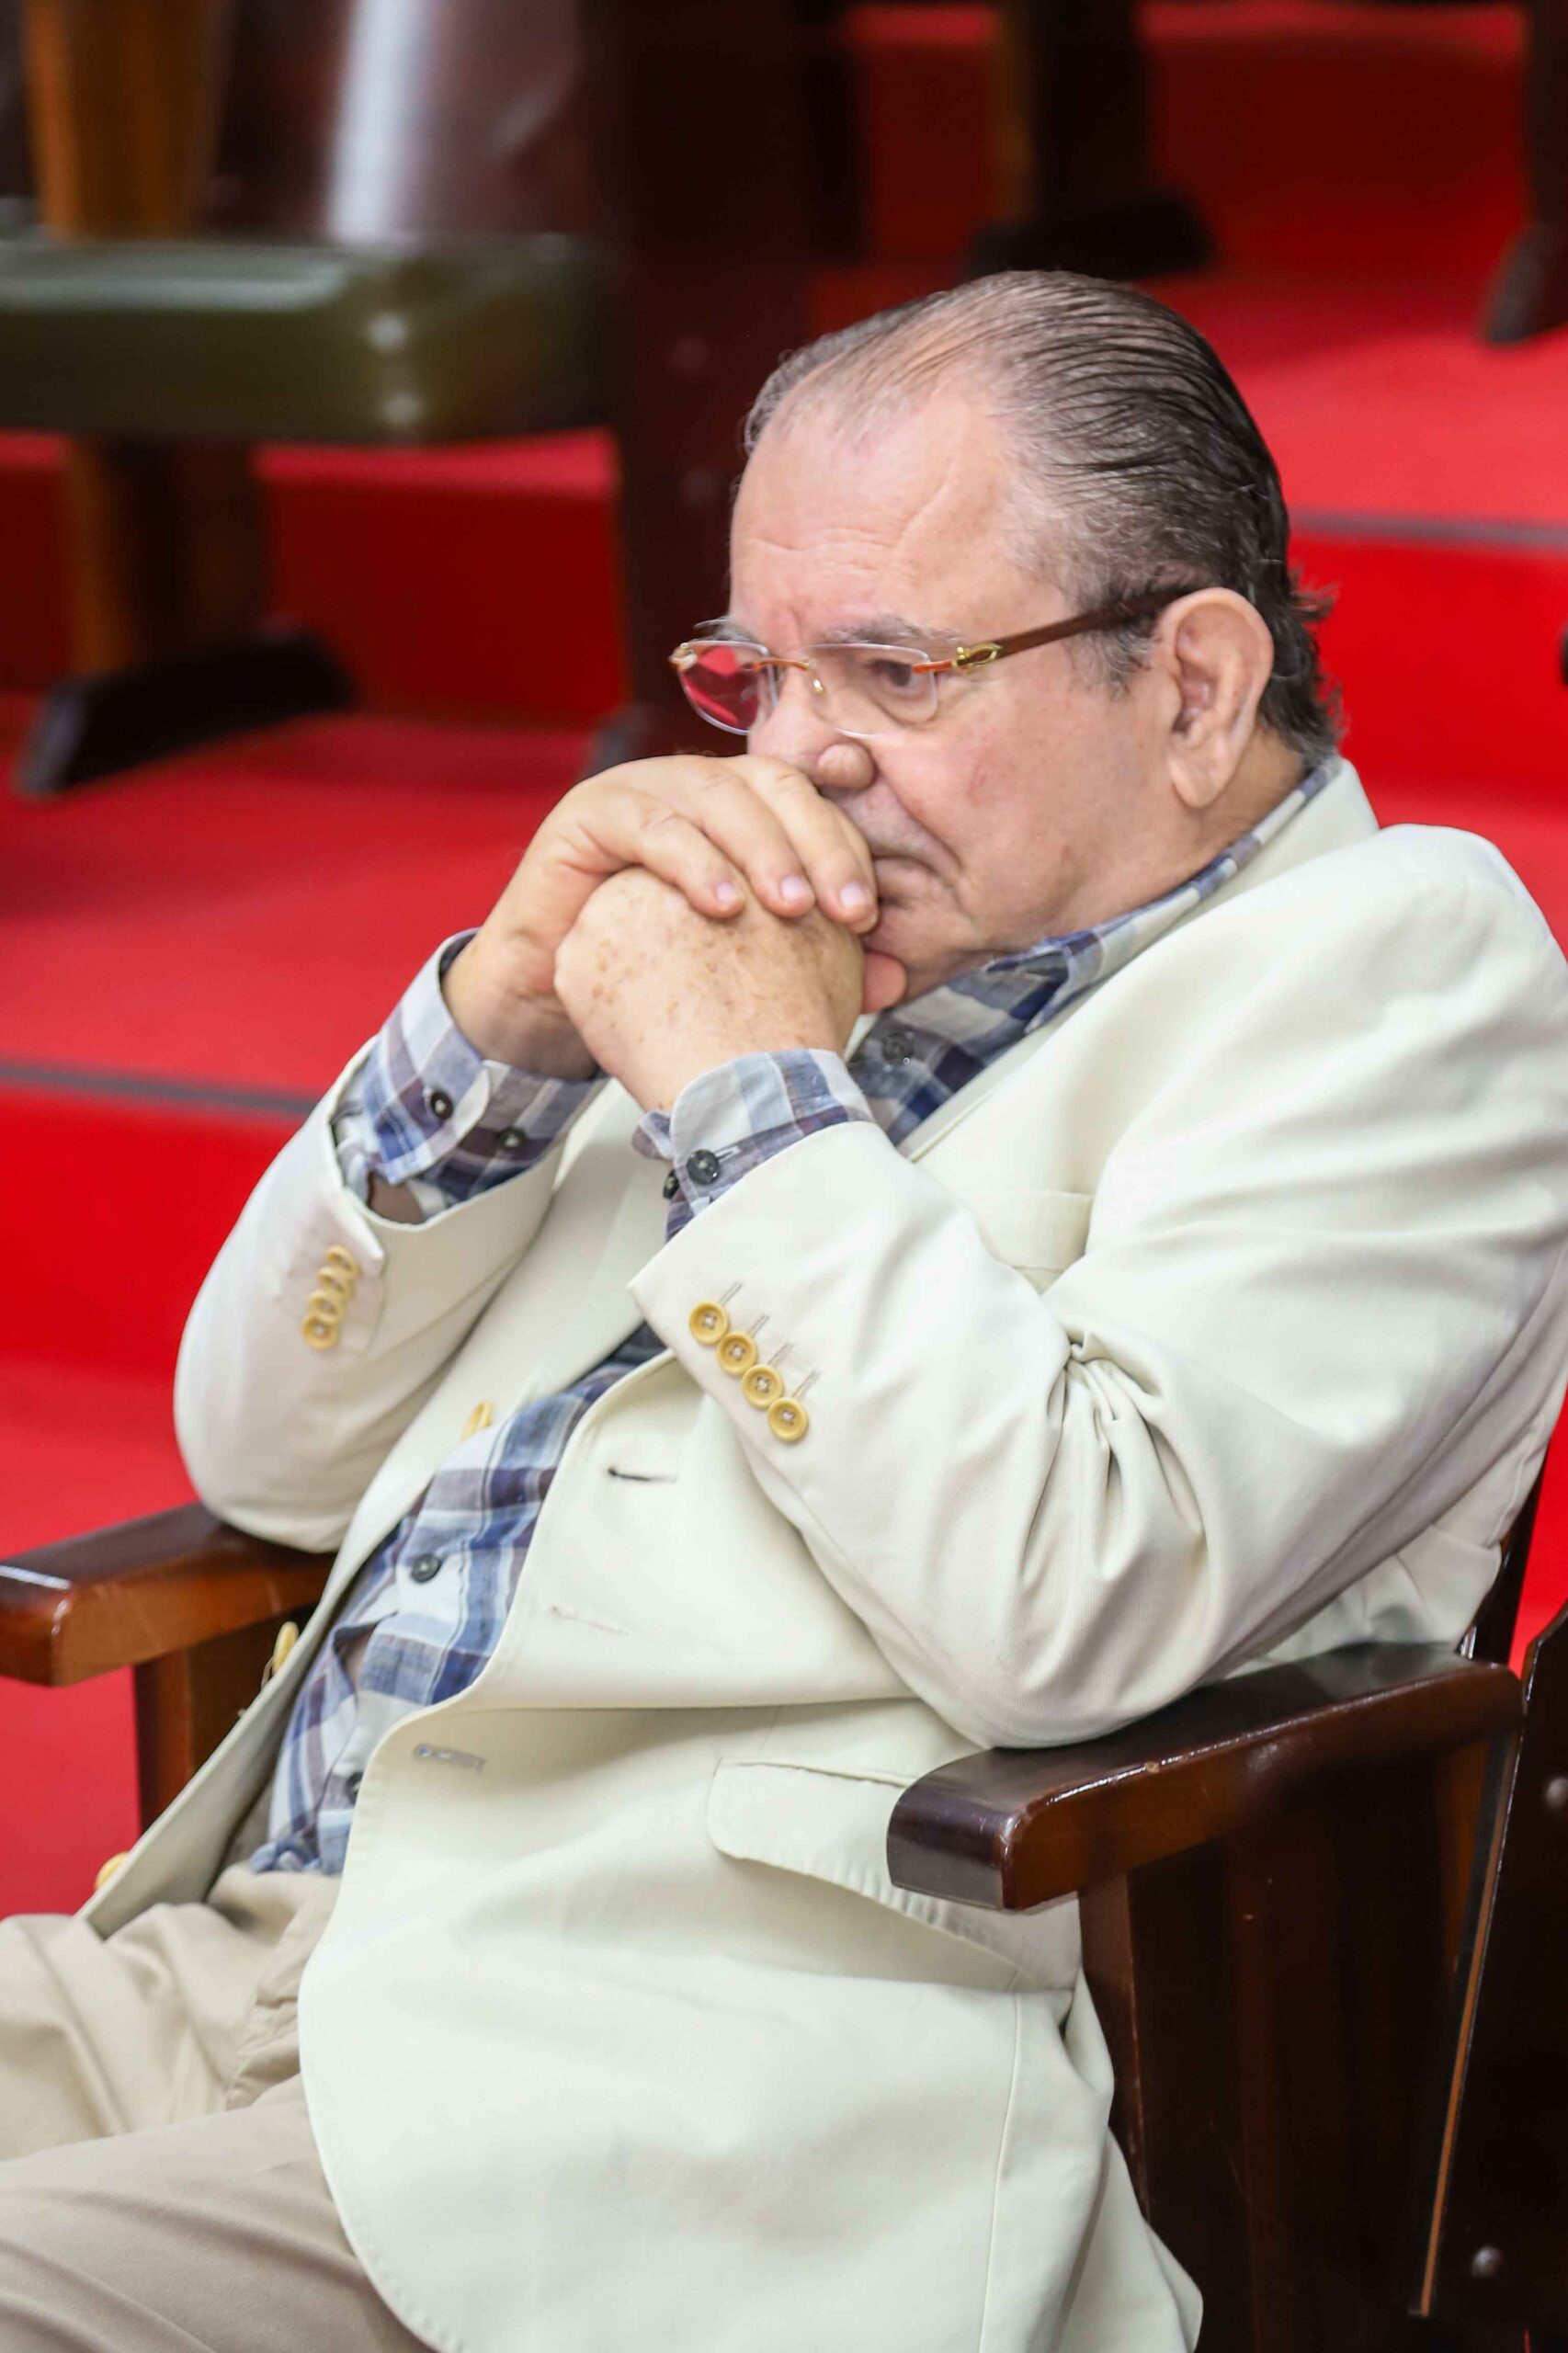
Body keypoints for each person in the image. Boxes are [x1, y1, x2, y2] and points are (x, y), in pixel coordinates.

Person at [3, 270, 1567, 2353]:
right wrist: (497, 1030)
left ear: (1195, 687)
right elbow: (256, 1459)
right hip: (256, 1953)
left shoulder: (1397, 976)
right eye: (756, 673)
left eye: (896, 671)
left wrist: (748, 1094)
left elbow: (1062, 1600)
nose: (801, 758)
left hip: (636, 2088)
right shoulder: (807, 937)